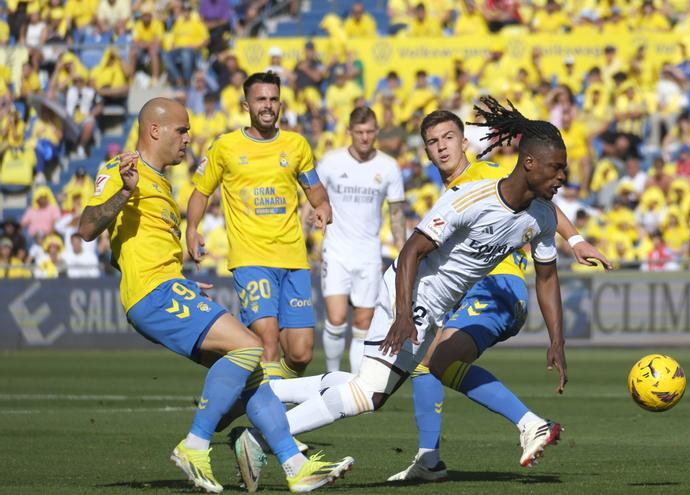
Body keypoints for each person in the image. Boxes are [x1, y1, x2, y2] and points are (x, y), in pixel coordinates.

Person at [233, 97, 602, 488]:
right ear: (529, 163)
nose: (564, 175)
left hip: (435, 308)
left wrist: (557, 340)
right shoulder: (471, 197)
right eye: (557, 167)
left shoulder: (541, 216)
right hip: (412, 296)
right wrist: (405, 311)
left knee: (372, 394)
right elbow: (411, 250)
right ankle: (261, 438)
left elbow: (547, 277)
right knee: (366, 392)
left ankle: (269, 396)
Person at [79, 97, 351, 494]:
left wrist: (180, 280)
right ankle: (195, 445)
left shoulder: (160, 182)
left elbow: (127, 249)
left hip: (167, 286)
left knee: (253, 376)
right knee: (249, 347)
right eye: (182, 129)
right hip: (152, 294)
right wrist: (124, 192)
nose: (189, 137)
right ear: (155, 129)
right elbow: (87, 227)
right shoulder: (124, 171)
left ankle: (296, 467)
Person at [387, 109, 610, 481]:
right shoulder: (454, 191)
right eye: (432, 142)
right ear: (425, 151)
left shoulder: (486, 174)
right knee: (426, 361)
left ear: (463, 142)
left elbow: (545, 203)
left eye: (448, 139)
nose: (442, 148)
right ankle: (430, 460)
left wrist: (575, 239)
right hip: (474, 290)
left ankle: (529, 424)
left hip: (499, 287)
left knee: (429, 359)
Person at [188, 72, 332, 385]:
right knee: (267, 341)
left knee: (301, 353)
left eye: (272, 99)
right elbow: (200, 192)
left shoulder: (296, 145)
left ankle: (259, 400)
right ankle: (271, 428)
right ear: (246, 105)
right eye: (260, 99)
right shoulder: (225, 146)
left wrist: (323, 206)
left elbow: (314, 188)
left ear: (280, 103)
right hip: (251, 258)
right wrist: (192, 228)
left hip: (293, 259)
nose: (267, 105)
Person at [317, 106, 406, 374]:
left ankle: (355, 384)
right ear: (349, 132)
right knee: (335, 319)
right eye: (359, 132)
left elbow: (396, 212)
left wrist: (402, 250)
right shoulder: (331, 162)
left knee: (363, 323)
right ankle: (331, 375)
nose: (365, 137)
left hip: (368, 253)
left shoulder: (388, 167)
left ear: (377, 132)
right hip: (335, 250)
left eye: (369, 132)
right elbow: (314, 197)